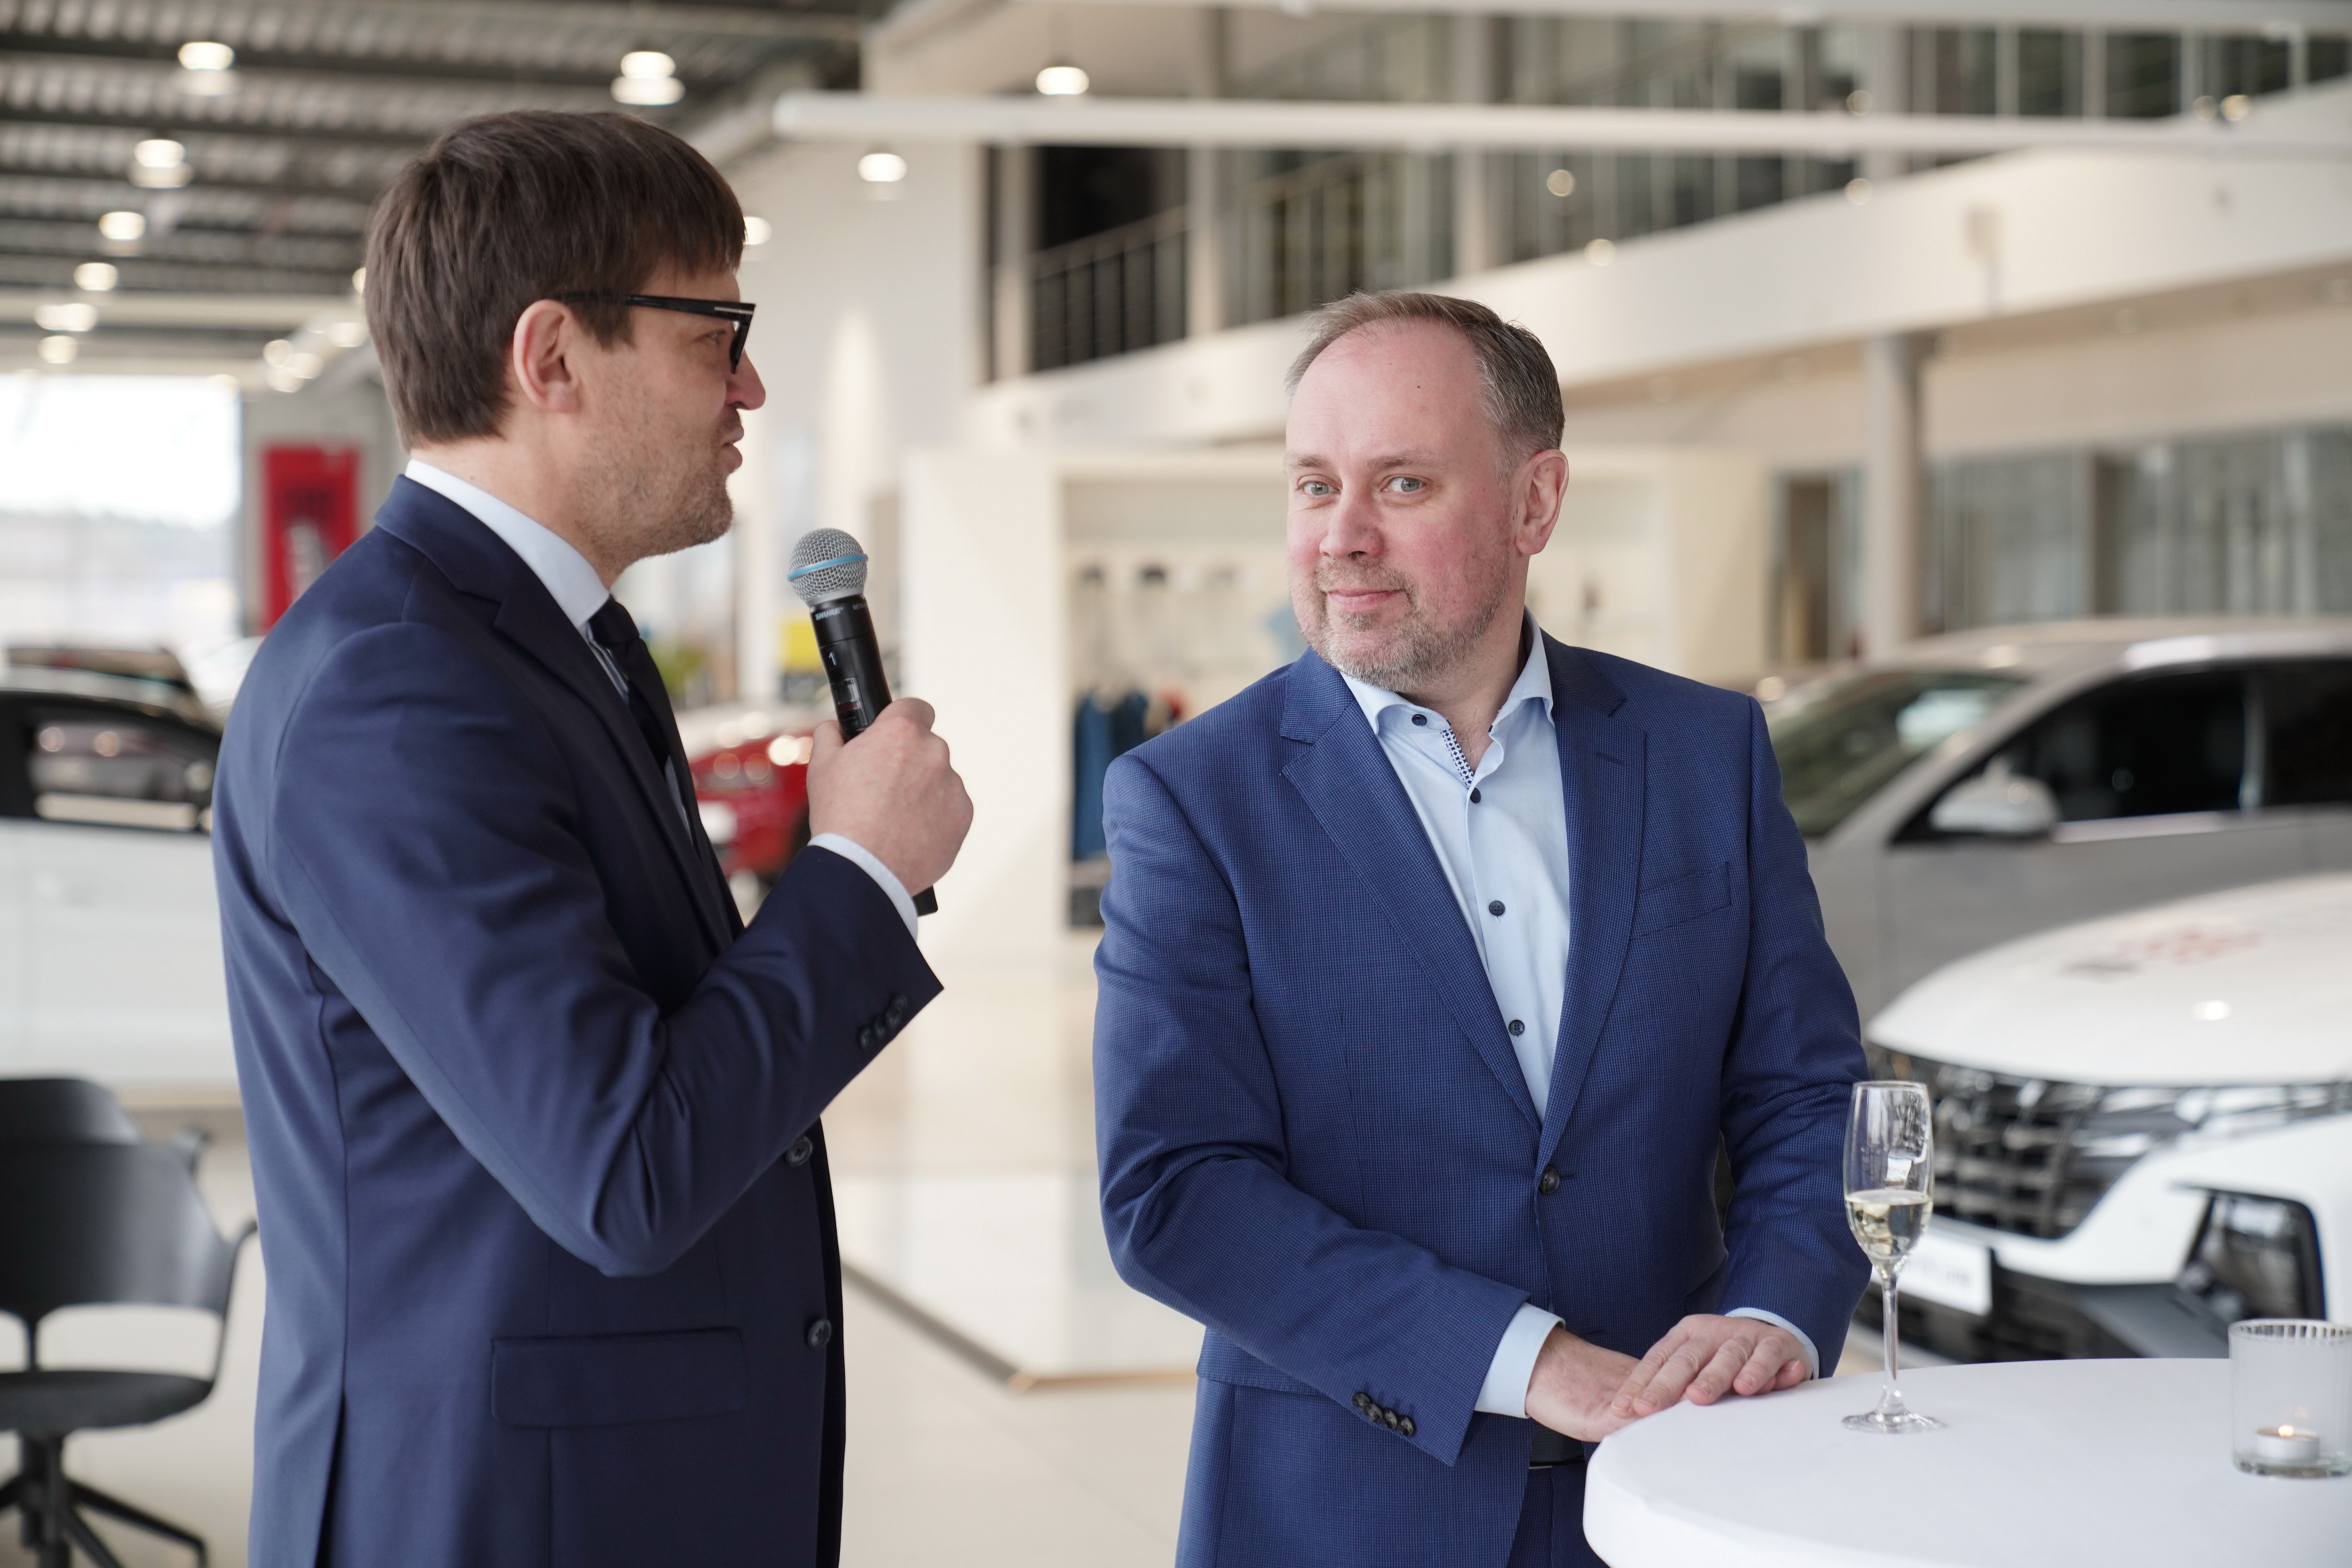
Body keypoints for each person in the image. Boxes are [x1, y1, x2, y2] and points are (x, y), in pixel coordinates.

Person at [213, 111, 971, 1568]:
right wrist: (861, 873)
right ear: (553, 357)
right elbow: (624, 1166)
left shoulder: (556, 648)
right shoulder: (394, 687)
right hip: (499, 1515)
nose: (750, 387)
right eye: (715, 336)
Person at [1093, 290, 1867, 1567]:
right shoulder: (1192, 797)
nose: (1341, 536)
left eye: (1401, 484)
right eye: (1313, 485)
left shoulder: (1704, 754)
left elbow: (1803, 1095)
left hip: (1672, 1489)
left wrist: (1774, 1313)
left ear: (1535, 503)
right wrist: (1529, 1360)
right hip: (1344, 1513)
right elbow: (1176, 1192)